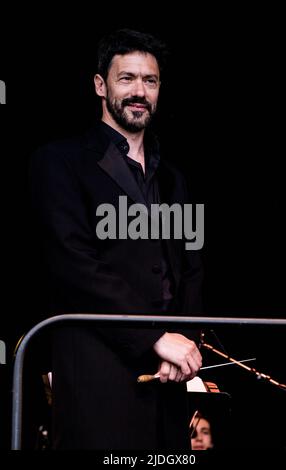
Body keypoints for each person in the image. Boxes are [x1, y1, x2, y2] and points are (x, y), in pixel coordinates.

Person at [30, 28, 203, 450]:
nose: (139, 91)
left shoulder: (175, 177)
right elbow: (73, 264)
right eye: (127, 78)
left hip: (170, 376)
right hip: (97, 371)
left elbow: (190, 268)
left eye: (150, 80)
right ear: (99, 85)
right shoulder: (59, 162)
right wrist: (155, 338)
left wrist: (188, 345)